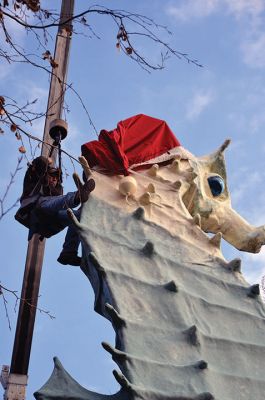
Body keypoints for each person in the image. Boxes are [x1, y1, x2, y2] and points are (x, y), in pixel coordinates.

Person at [16, 156, 95, 266]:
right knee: (55, 201)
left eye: (56, 178)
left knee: (78, 216)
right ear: (45, 174)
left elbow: (58, 202)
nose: (54, 179)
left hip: (51, 221)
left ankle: (68, 253)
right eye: (51, 176)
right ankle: (77, 197)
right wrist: (46, 161)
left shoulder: (57, 191)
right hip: (35, 210)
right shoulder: (34, 180)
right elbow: (39, 163)